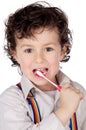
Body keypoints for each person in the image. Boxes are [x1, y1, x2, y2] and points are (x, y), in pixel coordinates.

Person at [0, 1, 86, 130]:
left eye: (48, 49)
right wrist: (65, 110)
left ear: (62, 51)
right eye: (29, 50)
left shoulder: (77, 91)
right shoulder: (11, 100)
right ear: (15, 54)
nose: (39, 59)